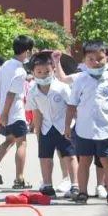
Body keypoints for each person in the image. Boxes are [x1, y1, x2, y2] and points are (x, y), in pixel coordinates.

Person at [64, 41, 108, 204]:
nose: (95, 62)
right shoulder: (80, 79)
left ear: (107, 58)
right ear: (84, 60)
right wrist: (67, 127)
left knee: (107, 160)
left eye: (100, 58)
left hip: (106, 128)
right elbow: (71, 105)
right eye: (90, 59)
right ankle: (83, 192)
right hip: (84, 129)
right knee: (84, 161)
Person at [0, 35, 34, 189]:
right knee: (22, 143)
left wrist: (2, 114)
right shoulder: (20, 71)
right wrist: (6, 113)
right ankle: (19, 179)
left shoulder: (6, 64)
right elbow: (12, 94)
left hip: (3, 109)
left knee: (10, 140)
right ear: (26, 51)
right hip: (14, 111)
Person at [26, 52, 75, 198]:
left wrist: (69, 126)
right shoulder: (33, 91)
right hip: (46, 128)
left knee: (69, 156)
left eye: (47, 71)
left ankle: (75, 185)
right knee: (45, 157)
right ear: (33, 73)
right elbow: (36, 113)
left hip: (64, 127)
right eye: (39, 72)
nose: (43, 75)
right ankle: (47, 185)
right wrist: (37, 131)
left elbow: (72, 107)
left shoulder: (62, 87)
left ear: (53, 69)